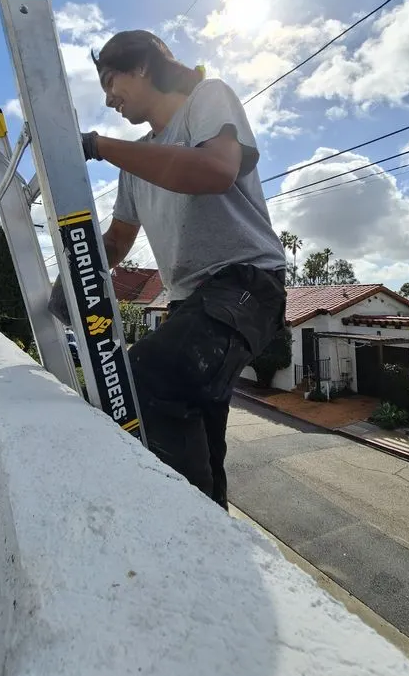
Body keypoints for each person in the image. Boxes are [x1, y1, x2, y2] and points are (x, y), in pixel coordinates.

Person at [78, 30, 287, 508]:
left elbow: (215, 170)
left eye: (112, 81)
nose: (109, 99)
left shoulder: (206, 99)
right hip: (189, 303)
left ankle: (183, 525)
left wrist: (100, 146)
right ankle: (213, 539)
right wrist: (70, 277)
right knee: (199, 438)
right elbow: (116, 243)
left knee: (146, 377)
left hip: (246, 285)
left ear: (143, 67)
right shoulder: (136, 163)